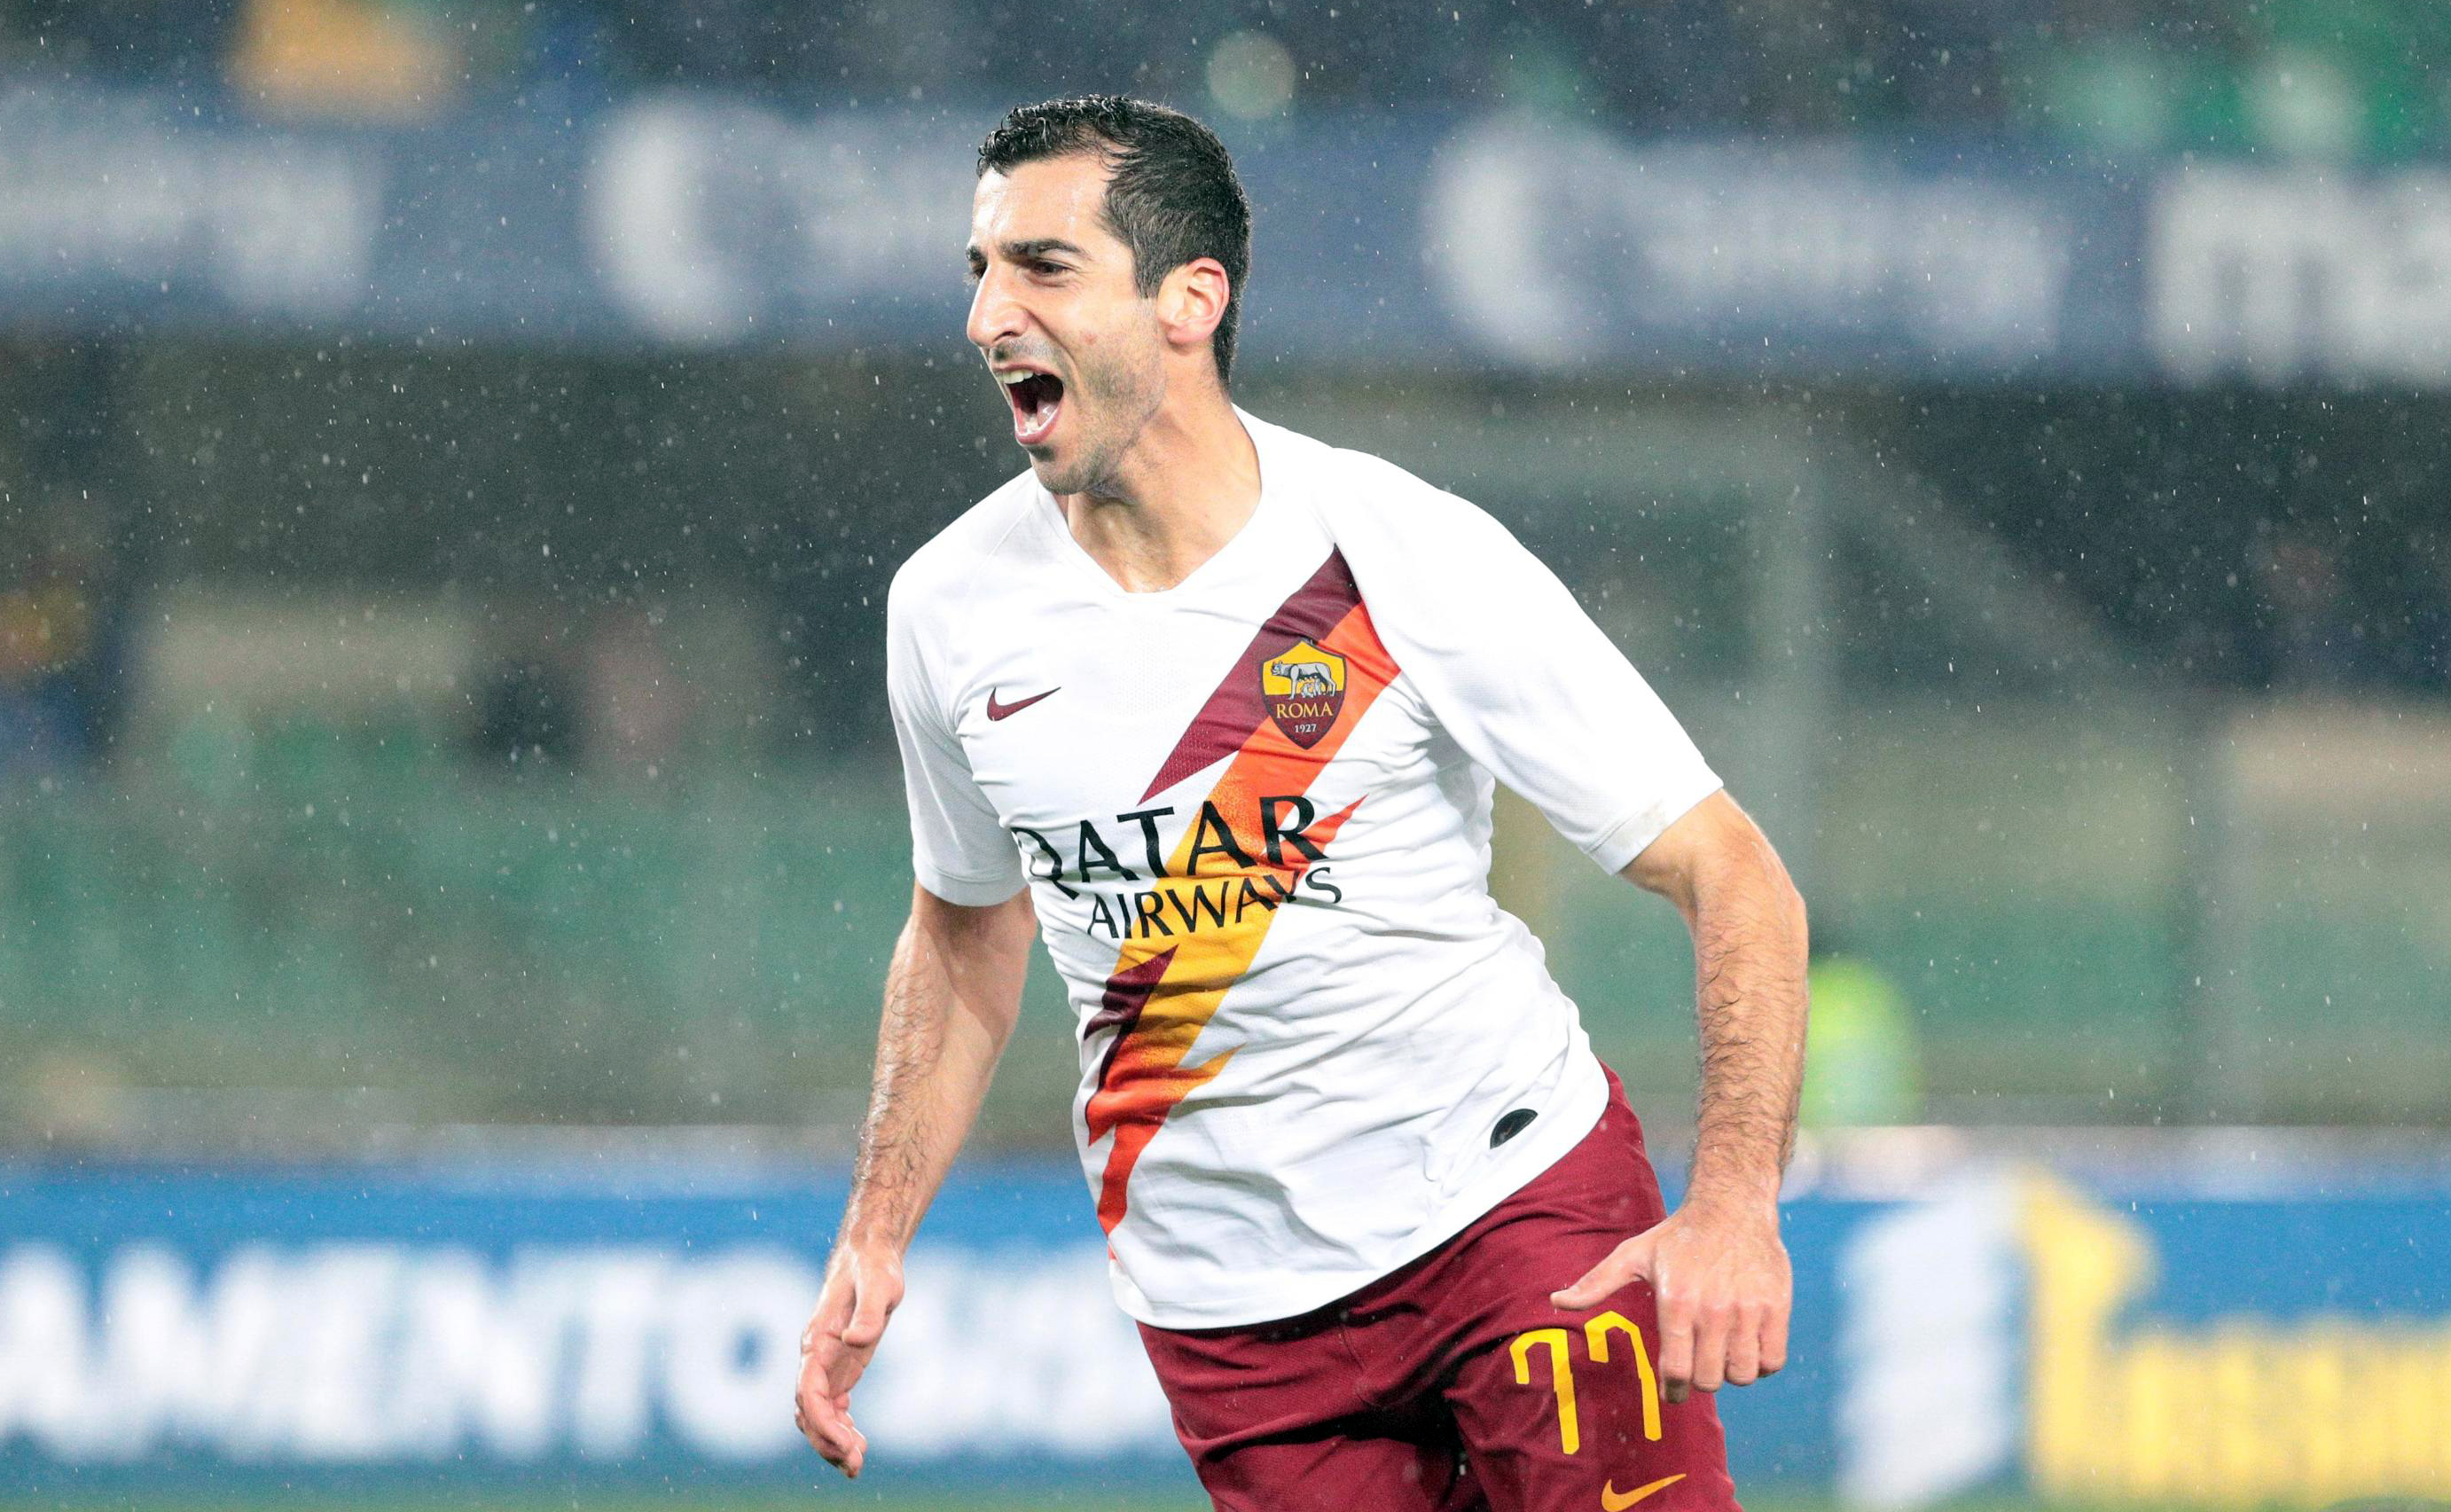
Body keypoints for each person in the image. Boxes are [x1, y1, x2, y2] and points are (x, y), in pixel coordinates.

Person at [795, 96, 1809, 1512]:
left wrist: (1735, 1202)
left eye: (1042, 267)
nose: (986, 317)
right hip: (1229, 1308)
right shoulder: (949, 613)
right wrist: (877, 1230)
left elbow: (1732, 869)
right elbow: (965, 932)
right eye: (979, 271)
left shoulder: (1402, 554)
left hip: (1513, 1209)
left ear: (1187, 302)